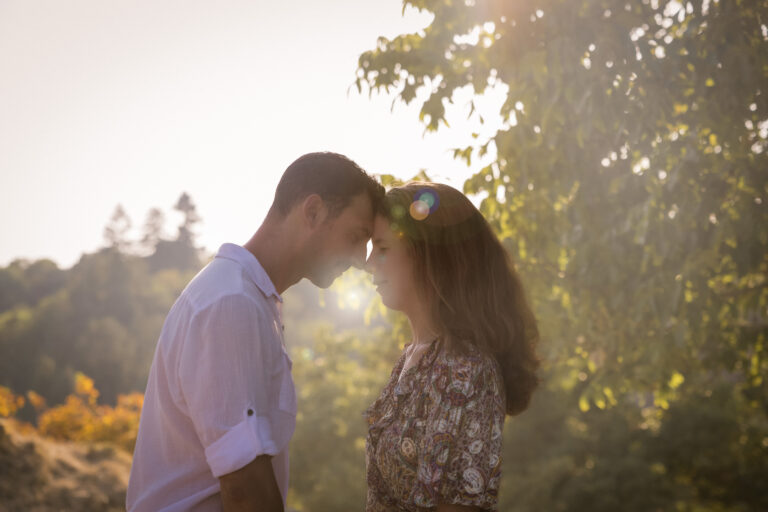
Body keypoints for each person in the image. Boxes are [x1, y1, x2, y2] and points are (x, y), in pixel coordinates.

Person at [127, 152, 384, 512]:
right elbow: (244, 490)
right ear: (313, 212)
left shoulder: (248, 299)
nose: (361, 258)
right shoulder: (232, 303)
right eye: (356, 236)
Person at [364, 182, 540, 512]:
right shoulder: (410, 357)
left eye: (383, 247)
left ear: (427, 255)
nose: (369, 262)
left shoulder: (468, 368)